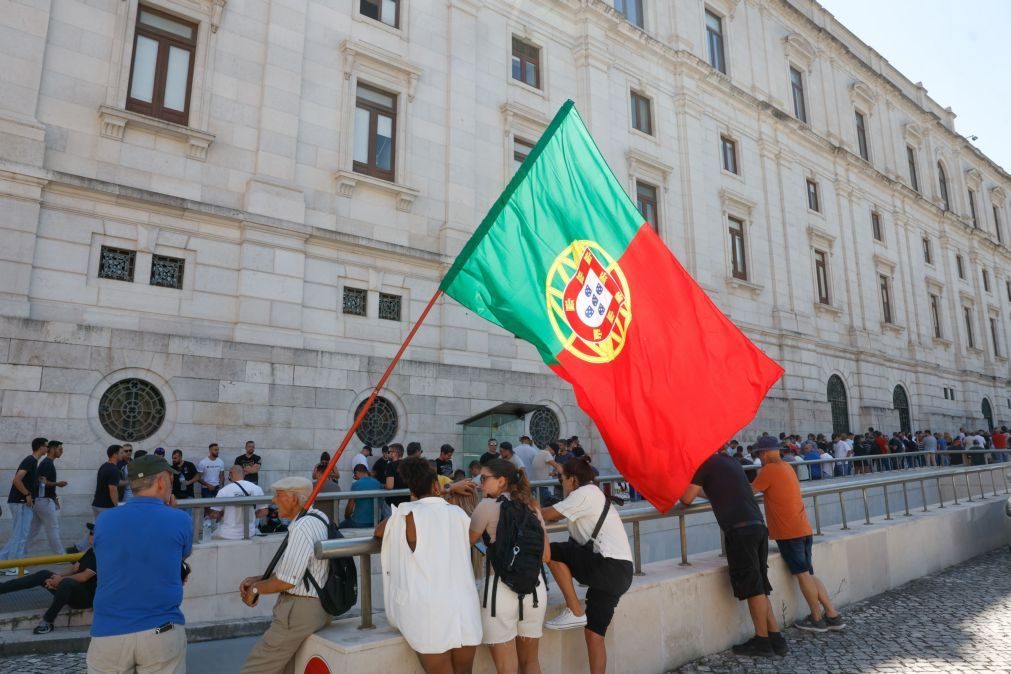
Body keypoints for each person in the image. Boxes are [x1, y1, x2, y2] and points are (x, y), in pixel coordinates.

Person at [679, 441, 787, 658]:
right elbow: (717, 493)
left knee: (753, 587)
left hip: (740, 531)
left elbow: (686, 498)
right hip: (757, 525)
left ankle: (762, 641)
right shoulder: (729, 461)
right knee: (760, 584)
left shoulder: (704, 463)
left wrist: (675, 484)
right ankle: (776, 638)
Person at [376, 457, 481, 674]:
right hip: (463, 606)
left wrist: (430, 495)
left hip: (428, 612)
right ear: (436, 485)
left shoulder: (405, 516)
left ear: (410, 489)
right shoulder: (458, 514)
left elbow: (378, 532)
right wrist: (446, 489)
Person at [87, 454, 191, 673]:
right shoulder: (180, 519)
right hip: (161, 630)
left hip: (109, 631)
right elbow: (182, 554)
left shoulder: (104, 520)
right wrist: (171, 512)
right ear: (162, 481)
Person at [541, 459, 633, 674]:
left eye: (561, 480)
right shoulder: (593, 493)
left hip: (607, 565)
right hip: (620, 572)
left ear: (573, 480)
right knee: (594, 635)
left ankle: (574, 610)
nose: (561, 484)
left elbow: (548, 516)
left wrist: (521, 504)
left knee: (551, 552)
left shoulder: (585, 493)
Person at [750, 440, 847, 633]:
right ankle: (832, 614)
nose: (759, 457)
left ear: (769, 452)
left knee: (802, 575)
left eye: (760, 453)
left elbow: (749, 491)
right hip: (802, 527)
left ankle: (817, 619)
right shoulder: (787, 467)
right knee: (808, 573)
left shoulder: (769, 470)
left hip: (788, 531)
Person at [239, 477, 332, 674]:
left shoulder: (301, 528)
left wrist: (256, 589)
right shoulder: (319, 519)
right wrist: (258, 579)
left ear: (294, 499)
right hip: (315, 607)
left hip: (298, 611)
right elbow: (298, 569)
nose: (273, 500)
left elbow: (286, 580)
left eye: (278, 495)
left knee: (255, 668)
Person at [469, 459, 549, 674]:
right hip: (534, 589)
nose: (480, 483)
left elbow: (467, 540)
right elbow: (546, 555)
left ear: (501, 481)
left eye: (484, 478)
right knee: (531, 663)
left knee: (507, 669)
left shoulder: (486, 506)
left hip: (500, 591)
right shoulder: (533, 507)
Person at [0, 522, 98, 634]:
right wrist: (56, 577)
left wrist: (60, 580)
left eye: (93, 533)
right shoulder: (92, 551)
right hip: (74, 590)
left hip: (86, 599)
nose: (89, 535)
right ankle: (2, 588)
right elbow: (74, 569)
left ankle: (47, 622)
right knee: (44, 574)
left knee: (66, 583)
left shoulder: (103, 554)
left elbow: (84, 577)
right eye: (90, 533)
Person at [0, 437, 48, 573]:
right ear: (40, 447)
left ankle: (3, 563)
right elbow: (16, 480)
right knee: (20, 536)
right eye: (46, 445)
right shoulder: (30, 460)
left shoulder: (33, 462)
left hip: (22, 503)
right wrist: (27, 494)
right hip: (20, 503)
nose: (47, 448)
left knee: (19, 535)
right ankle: (12, 567)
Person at [78, 445, 122, 554]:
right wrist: (116, 506)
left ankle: (79, 547)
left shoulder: (104, 466)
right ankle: (97, 551)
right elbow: (113, 489)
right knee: (105, 530)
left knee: (97, 529)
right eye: (121, 452)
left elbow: (114, 483)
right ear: (115, 454)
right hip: (105, 506)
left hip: (97, 504)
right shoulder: (113, 470)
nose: (123, 454)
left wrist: (129, 482)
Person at [27, 439, 67, 556]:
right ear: (53, 449)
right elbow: (41, 481)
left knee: (32, 531)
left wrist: (54, 498)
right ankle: (60, 557)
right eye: (60, 449)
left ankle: (15, 553)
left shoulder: (47, 462)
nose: (62, 452)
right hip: (43, 501)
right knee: (53, 528)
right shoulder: (47, 463)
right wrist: (57, 484)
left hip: (41, 500)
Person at [210, 466, 268, 540]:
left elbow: (214, 514)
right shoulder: (257, 488)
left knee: (212, 535)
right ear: (243, 474)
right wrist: (248, 516)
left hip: (228, 534)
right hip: (249, 532)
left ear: (230, 474)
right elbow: (264, 512)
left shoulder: (224, 491)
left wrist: (221, 514)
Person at [340, 463, 382, 528]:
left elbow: (349, 508)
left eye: (355, 476)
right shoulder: (377, 483)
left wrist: (347, 517)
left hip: (358, 522)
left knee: (338, 527)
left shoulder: (356, 485)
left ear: (357, 472)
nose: (355, 478)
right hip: (375, 521)